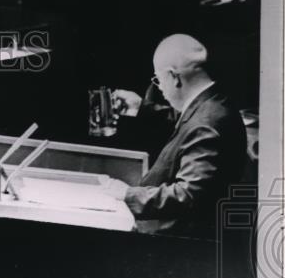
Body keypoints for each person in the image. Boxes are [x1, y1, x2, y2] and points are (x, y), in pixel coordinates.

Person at [106, 34, 247, 237]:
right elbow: (187, 118)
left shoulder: (207, 125)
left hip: (178, 244)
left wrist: (128, 195)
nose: (160, 88)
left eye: (158, 79)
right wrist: (141, 108)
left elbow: (188, 194)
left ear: (174, 77)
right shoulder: (214, 102)